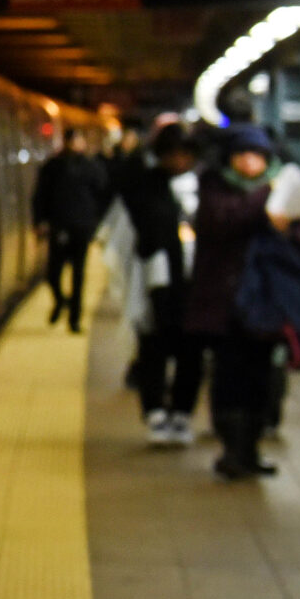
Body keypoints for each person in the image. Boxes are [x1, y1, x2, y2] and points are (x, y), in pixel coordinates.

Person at [184, 125, 300, 480]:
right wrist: (269, 197)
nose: (251, 162)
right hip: (226, 301)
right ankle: (232, 449)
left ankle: (250, 448)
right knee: (229, 373)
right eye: (243, 155)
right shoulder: (214, 187)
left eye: (258, 156)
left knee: (261, 375)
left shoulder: (283, 193)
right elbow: (224, 221)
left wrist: (288, 227)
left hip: (268, 302)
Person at [114, 122, 205, 446]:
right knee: (153, 346)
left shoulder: (203, 187)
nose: (179, 162)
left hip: (197, 283)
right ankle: (155, 412)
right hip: (156, 282)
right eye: (172, 155)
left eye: (185, 155)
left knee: (191, 350)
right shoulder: (144, 187)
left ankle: (182, 413)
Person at [33, 126, 110, 332]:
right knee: (53, 273)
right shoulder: (52, 167)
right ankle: (60, 300)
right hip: (59, 227)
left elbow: (102, 194)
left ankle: (75, 319)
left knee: (78, 274)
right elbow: (40, 195)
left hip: (82, 227)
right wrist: (39, 221)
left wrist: (97, 222)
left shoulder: (91, 166)